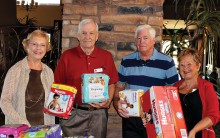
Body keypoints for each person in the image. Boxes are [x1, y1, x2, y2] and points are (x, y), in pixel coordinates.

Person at [54, 19, 119, 138]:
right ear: (78, 36)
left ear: (97, 36)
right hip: (73, 114)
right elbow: (58, 86)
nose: (87, 37)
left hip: (98, 115)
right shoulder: (66, 56)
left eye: (91, 33)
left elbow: (111, 84)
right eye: (83, 33)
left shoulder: (106, 57)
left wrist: (108, 101)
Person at [113, 24, 179, 138]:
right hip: (131, 118)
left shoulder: (167, 62)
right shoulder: (126, 61)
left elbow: (174, 91)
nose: (141, 41)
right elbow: (119, 87)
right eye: (138, 38)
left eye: (145, 38)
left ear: (154, 40)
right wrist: (116, 102)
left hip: (156, 118)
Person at [0, 30, 55, 126]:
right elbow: (4, 102)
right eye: (34, 44)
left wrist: (62, 109)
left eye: (43, 45)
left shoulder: (49, 72)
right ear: (27, 45)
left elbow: (51, 100)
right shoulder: (15, 70)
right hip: (20, 129)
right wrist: (21, 123)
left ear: (46, 48)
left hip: (44, 128)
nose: (38, 48)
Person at [174, 48, 219, 138]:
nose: (185, 68)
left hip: (199, 135)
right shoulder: (174, 87)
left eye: (189, 64)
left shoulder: (207, 87)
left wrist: (194, 130)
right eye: (182, 65)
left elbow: (214, 116)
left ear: (198, 66)